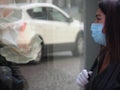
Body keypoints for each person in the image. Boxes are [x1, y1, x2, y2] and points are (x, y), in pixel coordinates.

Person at [76, 0, 120, 90]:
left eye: (98, 19)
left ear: (113, 23)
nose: (94, 24)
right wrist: (89, 81)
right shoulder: (104, 52)